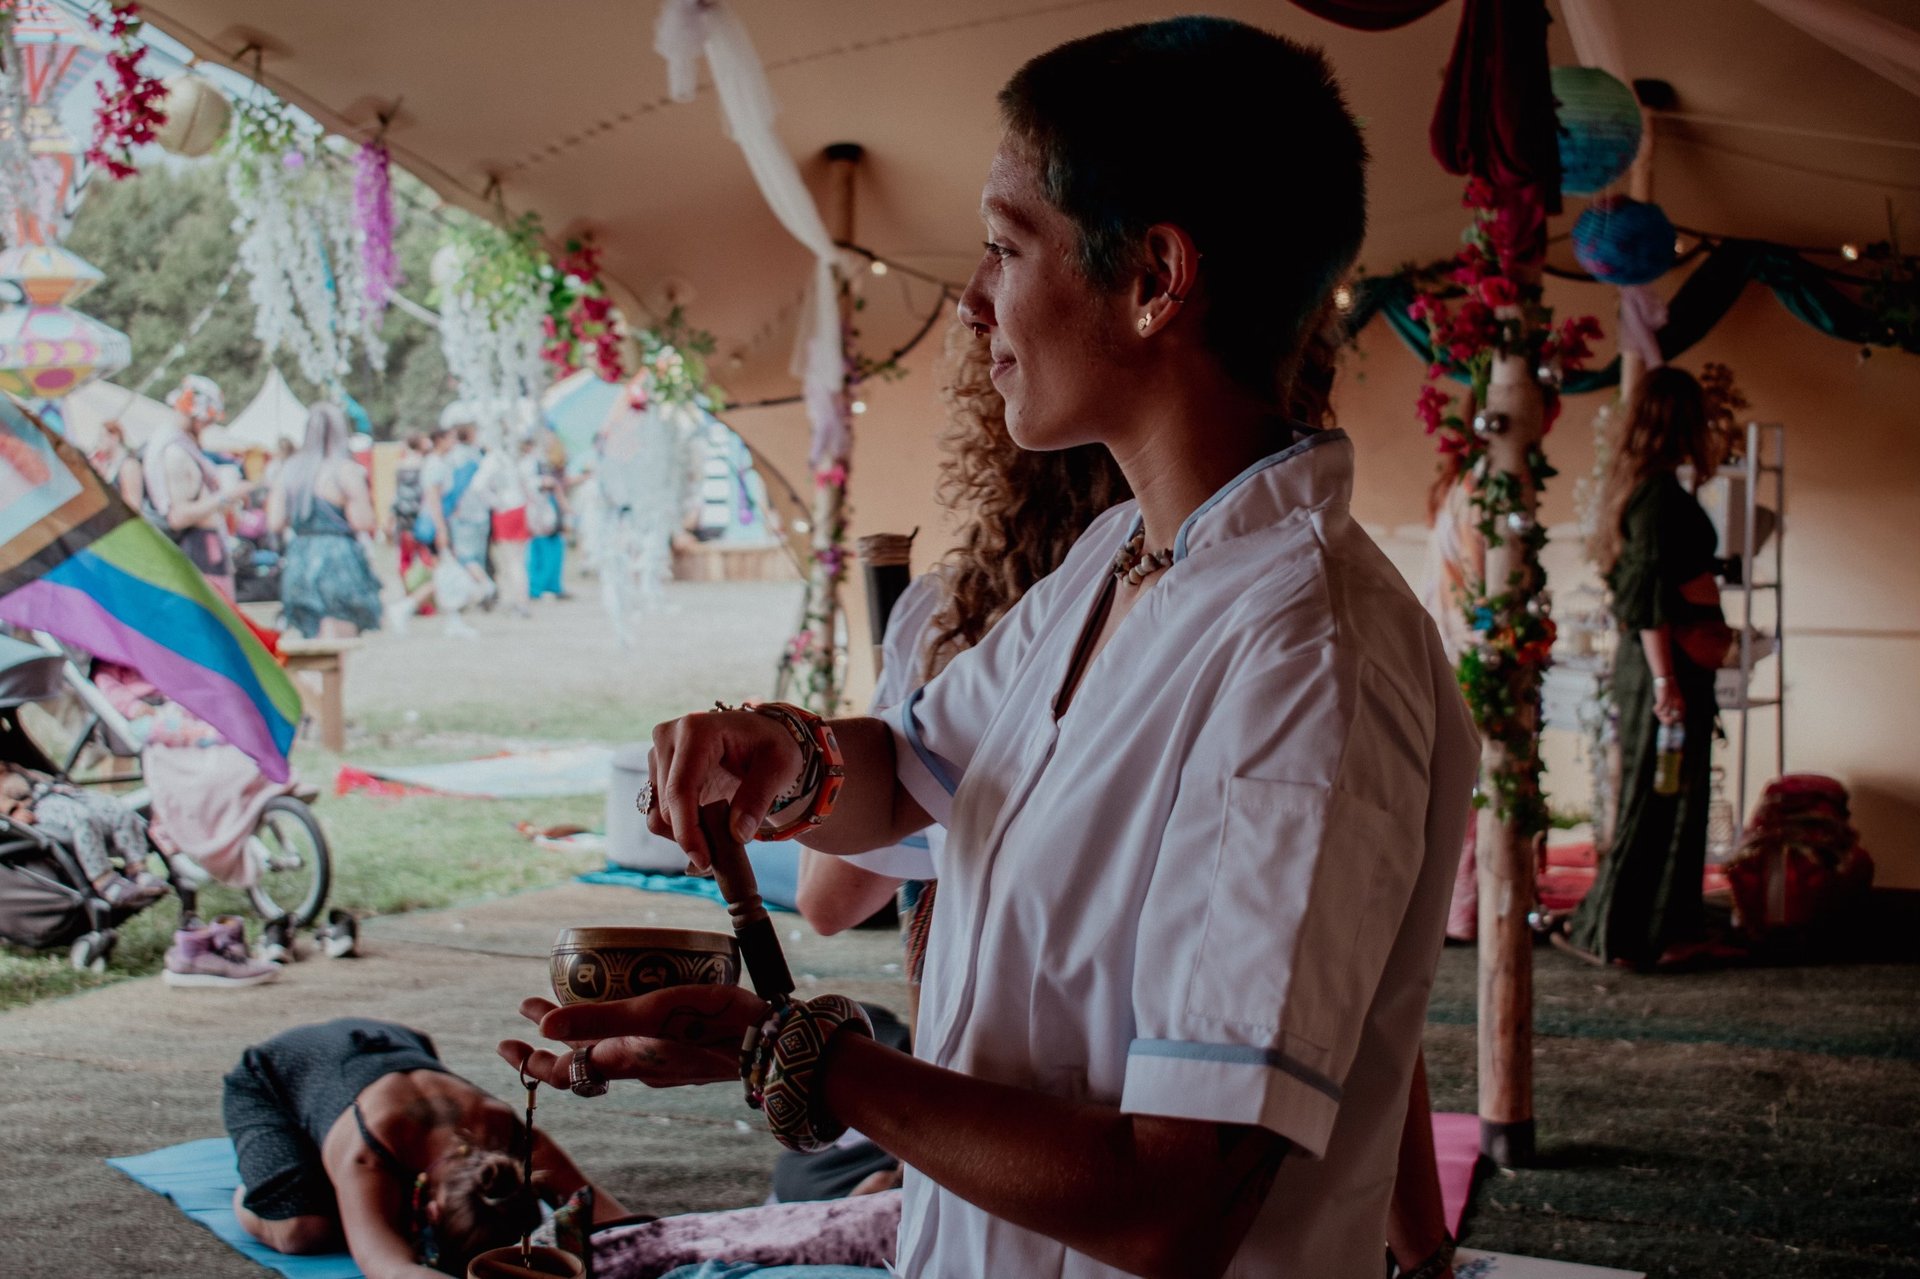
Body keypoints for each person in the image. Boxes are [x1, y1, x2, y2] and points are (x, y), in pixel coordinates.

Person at [506, 20, 1476, 1279]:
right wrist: (781, 758)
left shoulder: (1304, 662)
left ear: (1155, 278)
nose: (971, 304)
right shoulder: (1122, 562)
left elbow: (1172, 1202)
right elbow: (911, 774)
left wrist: (793, 1054)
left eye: (1008, 247)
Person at [225, 1018, 626, 1278]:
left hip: (395, 1044)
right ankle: (250, 1195)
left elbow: (603, 1212)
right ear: (430, 1212)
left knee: (368, 1210)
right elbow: (388, 1266)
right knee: (305, 1230)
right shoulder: (368, 1152)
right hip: (272, 1073)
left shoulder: (502, 1129)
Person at [1558, 367, 1729, 970]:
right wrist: (1666, 683)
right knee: (1654, 799)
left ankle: (1667, 930)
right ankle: (1622, 933)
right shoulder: (1656, 496)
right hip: (1665, 667)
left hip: (1673, 664)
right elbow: (1647, 598)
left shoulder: (1649, 489)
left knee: (1675, 796)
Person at [1421, 451, 1485, 944]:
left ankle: (1452, 908)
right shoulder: (1481, 489)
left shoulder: (1455, 486)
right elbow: (1484, 586)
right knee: (1476, 783)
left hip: (1449, 642)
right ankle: (1464, 909)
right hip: (1471, 648)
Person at [270, 403, 384, 639]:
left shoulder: (289, 470)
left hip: (300, 557)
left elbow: (274, 521)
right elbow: (362, 521)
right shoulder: (345, 470)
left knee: (312, 640)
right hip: (337, 559)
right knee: (339, 640)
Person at [0, 759, 167, 908]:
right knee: (82, 819)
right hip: (39, 809)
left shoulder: (10, 767)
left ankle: (138, 867)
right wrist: (16, 813)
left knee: (117, 809)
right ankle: (105, 881)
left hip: (59, 792)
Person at [145, 374, 248, 599]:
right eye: (206, 420)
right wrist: (225, 496)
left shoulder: (177, 445)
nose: (208, 426)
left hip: (204, 551)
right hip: (200, 554)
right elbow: (178, 516)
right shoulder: (175, 453)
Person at [479, 438, 532, 617]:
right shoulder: (512, 459)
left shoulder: (492, 460)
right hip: (519, 508)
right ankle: (521, 600)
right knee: (518, 561)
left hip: (505, 511)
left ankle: (520, 602)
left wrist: (496, 502)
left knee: (512, 561)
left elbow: (478, 486)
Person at [524, 430, 571, 602]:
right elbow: (539, 484)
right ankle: (538, 587)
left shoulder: (545, 461)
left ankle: (551, 585)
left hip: (547, 509)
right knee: (541, 549)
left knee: (552, 548)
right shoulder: (531, 463)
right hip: (540, 509)